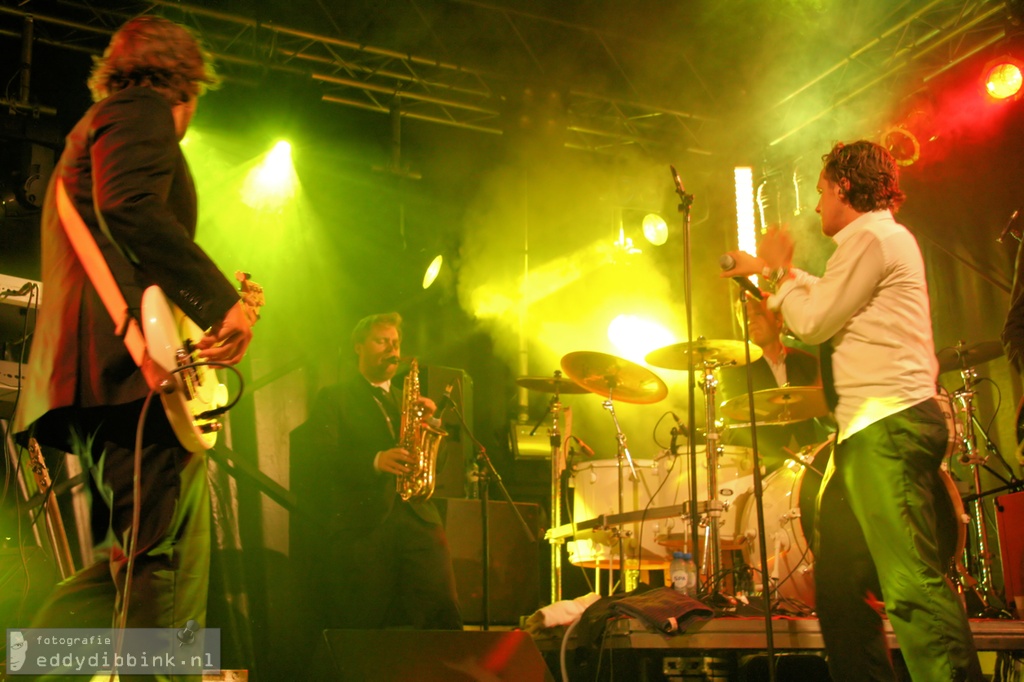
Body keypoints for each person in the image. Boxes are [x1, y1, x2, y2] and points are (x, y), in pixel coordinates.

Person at [12, 14, 253, 642]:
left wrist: (195, 333)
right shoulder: (139, 108)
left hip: (105, 379)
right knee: (164, 565)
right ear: (187, 85)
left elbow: (123, 255)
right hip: (123, 382)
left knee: (139, 561)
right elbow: (133, 208)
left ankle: (30, 668)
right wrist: (220, 303)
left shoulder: (94, 129)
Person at [722, 140, 982, 681]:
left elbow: (814, 321)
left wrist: (774, 275)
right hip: (865, 437)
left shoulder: (872, 235)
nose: (816, 205)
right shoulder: (872, 241)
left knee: (911, 585)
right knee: (838, 591)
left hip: (890, 429)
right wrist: (771, 274)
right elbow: (825, 297)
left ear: (843, 187)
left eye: (820, 192)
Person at [294, 312, 462, 632]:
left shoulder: (408, 402)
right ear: (359, 347)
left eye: (396, 342)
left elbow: (434, 464)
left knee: (441, 613)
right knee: (364, 622)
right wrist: (375, 460)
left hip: (418, 519)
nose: (392, 349)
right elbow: (319, 457)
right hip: (366, 524)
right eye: (381, 341)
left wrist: (432, 426)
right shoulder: (335, 397)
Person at [718, 294, 823, 471]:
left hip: (808, 463)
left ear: (778, 320)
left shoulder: (806, 362)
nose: (751, 322)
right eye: (746, 318)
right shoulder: (734, 367)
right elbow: (738, 416)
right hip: (757, 466)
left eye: (758, 314)